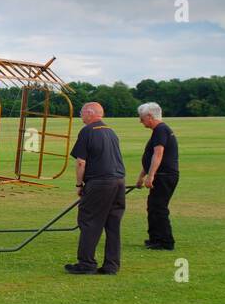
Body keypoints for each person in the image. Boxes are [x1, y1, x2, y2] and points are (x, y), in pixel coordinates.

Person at [66, 102, 127, 275]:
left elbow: (80, 162)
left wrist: (79, 184)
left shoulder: (87, 131)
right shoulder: (111, 131)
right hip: (119, 181)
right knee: (113, 224)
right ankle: (111, 265)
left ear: (90, 113)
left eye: (81, 113)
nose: (80, 116)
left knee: (89, 221)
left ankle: (86, 263)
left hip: (100, 183)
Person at [136, 102, 179, 250]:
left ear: (149, 116)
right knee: (153, 207)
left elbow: (158, 154)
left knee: (159, 208)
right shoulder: (159, 130)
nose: (140, 121)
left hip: (164, 175)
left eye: (142, 118)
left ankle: (166, 242)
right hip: (162, 175)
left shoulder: (161, 130)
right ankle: (155, 238)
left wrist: (151, 176)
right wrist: (141, 176)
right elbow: (149, 157)